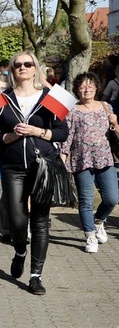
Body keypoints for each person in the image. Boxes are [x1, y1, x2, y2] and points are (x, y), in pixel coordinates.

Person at [0, 51, 69, 295]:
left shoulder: (51, 97)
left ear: (35, 69)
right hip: (12, 166)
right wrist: (8, 136)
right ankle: (20, 250)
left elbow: (62, 132)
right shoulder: (0, 99)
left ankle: (35, 276)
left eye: (27, 64)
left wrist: (37, 131)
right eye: (17, 64)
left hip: (43, 164)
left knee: (40, 220)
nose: (22, 67)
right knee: (17, 218)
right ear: (11, 70)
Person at [60, 72, 116, 254]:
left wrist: (115, 122)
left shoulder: (106, 107)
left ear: (96, 88)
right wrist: (63, 156)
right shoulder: (72, 110)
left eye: (90, 85)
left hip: (105, 158)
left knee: (111, 198)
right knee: (85, 200)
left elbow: (116, 133)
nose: (86, 89)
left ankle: (99, 221)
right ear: (77, 89)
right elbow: (67, 137)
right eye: (82, 86)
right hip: (81, 159)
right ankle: (90, 236)